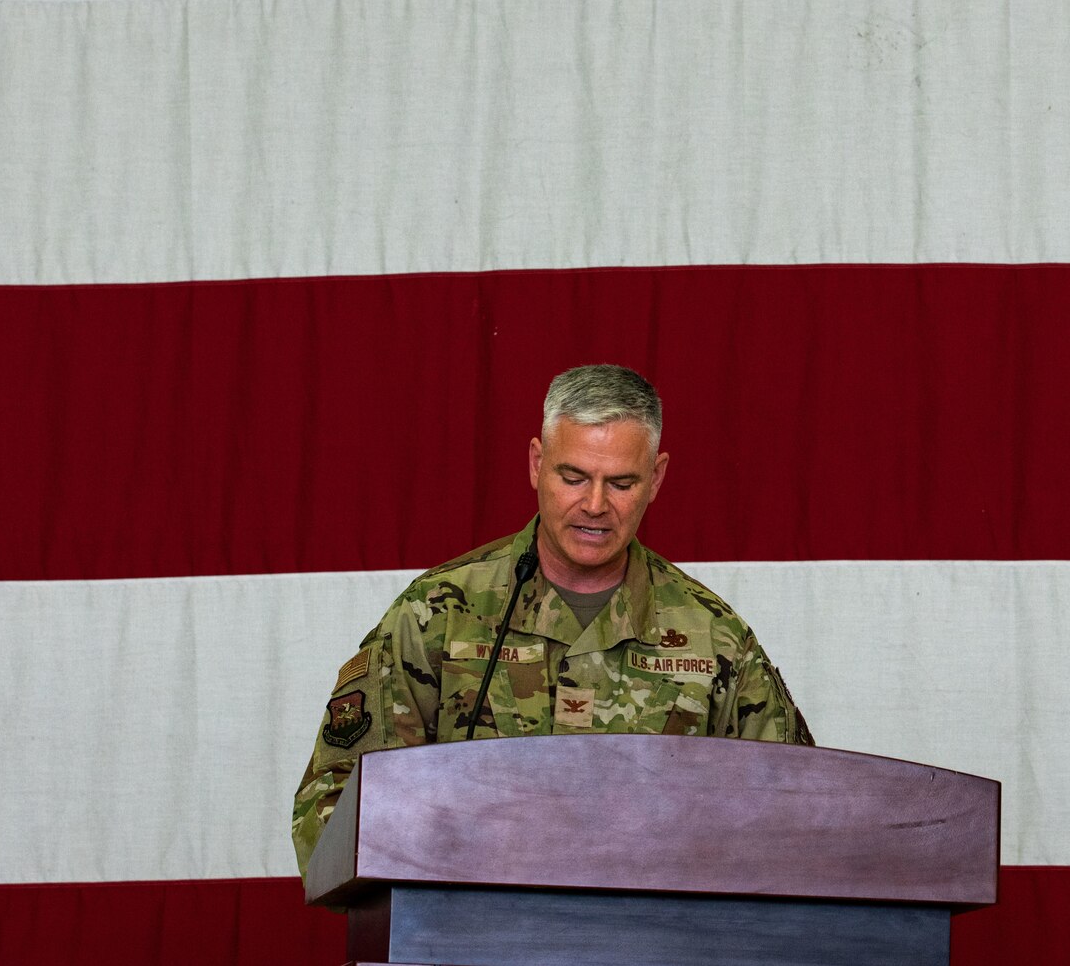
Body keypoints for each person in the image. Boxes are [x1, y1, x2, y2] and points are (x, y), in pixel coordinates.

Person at [289, 364, 815, 876]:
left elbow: (799, 821)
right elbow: (331, 813)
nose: (594, 505)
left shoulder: (716, 637)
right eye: (574, 476)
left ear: (656, 479)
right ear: (537, 464)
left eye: (622, 483)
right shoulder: (440, 613)